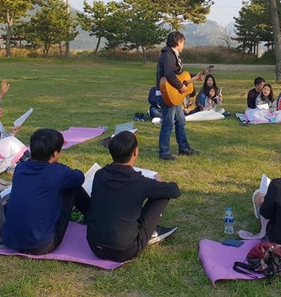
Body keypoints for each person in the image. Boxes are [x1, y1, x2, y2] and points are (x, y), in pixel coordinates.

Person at [87, 131, 181, 261]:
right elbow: (174, 190)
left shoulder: (99, 175)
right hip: (125, 250)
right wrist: (158, 183)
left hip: (94, 246)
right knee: (163, 194)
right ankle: (149, 233)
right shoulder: (139, 182)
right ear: (135, 152)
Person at [2, 128, 90, 254]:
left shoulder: (20, 168)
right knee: (72, 185)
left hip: (11, 241)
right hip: (41, 245)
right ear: (55, 154)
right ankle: (91, 215)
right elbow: (79, 177)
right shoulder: (59, 172)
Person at [155, 31, 203, 160]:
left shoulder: (172, 55)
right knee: (168, 123)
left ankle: (184, 148)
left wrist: (195, 77)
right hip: (167, 95)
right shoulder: (168, 55)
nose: (183, 45)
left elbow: (179, 75)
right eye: (183, 42)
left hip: (173, 95)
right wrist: (180, 86)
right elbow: (169, 74)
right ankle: (164, 152)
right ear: (178, 42)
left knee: (181, 121)